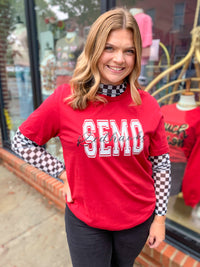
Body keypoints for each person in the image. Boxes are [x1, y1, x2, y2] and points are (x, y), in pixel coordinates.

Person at [11, 8, 171, 267]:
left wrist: (160, 219)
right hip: (86, 219)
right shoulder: (67, 98)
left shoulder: (148, 104)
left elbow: (161, 164)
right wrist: (62, 172)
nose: (119, 59)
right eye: (110, 48)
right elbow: (21, 141)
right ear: (95, 48)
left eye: (129, 51)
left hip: (137, 220)